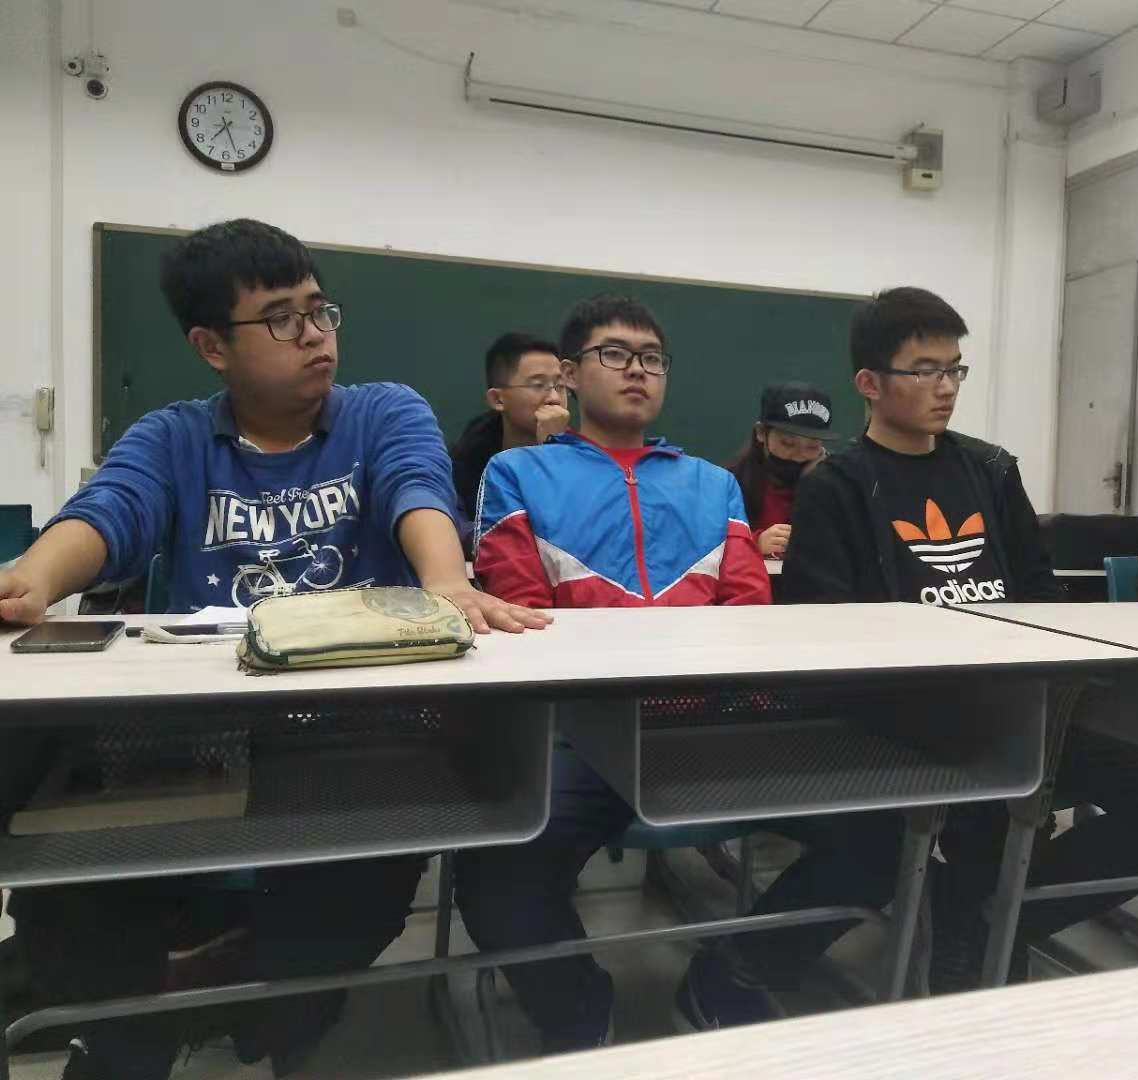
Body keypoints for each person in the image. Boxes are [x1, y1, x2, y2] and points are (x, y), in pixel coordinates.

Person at [0, 218, 548, 1079]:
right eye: (282, 319)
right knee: (71, 891)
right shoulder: (175, 437)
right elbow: (110, 511)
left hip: (356, 734)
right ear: (212, 346)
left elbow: (415, 486)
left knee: (350, 903)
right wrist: (29, 581)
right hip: (195, 733)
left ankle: (260, 1010)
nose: (315, 334)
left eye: (320, 311)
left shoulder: (381, 412)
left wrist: (445, 577)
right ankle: (137, 1026)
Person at [456, 295, 903, 1047]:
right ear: (569, 374)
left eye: (652, 358)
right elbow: (523, 614)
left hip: (714, 726)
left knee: (879, 836)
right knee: (496, 880)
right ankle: (579, 1014)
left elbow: (748, 611)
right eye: (615, 354)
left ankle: (731, 977)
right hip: (584, 733)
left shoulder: (710, 484)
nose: (637, 370)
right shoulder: (518, 473)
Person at [785, 286, 1138, 990]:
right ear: (869, 384)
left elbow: (1039, 595)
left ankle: (995, 914)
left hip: (1024, 711)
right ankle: (972, 922)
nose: (946, 387)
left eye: (955, 369)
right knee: (958, 823)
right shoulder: (837, 485)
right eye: (924, 370)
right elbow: (824, 632)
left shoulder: (990, 470)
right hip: (909, 721)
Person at [449, 332, 570, 529]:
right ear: (498, 399)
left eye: (560, 386)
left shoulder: (587, 459)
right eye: (538, 385)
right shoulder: (462, 471)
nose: (554, 398)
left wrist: (553, 451)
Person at [726, 381, 837, 560]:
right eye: (788, 443)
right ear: (761, 433)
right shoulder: (730, 483)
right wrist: (754, 542)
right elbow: (705, 545)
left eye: (812, 446)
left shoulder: (836, 481)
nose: (799, 456)